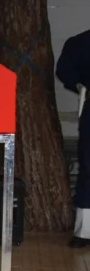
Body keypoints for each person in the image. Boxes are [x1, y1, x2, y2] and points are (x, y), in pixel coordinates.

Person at [56, 29, 90, 249]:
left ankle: (84, 232)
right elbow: (65, 71)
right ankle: (84, 231)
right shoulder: (82, 41)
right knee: (88, 167)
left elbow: (66, 71)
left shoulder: (81, 41)